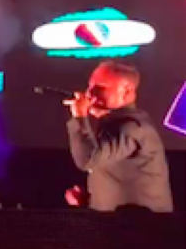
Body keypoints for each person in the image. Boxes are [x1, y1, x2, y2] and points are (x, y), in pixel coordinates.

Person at [64, 60, 173, 212]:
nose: (90, 93)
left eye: (101, 87)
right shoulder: (115, 124)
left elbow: (88, 159)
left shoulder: (133, 128)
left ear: (126, 91)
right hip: (116, 222)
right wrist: (91, 200)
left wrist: (80, 117)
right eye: (90, 86)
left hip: (141, 225)